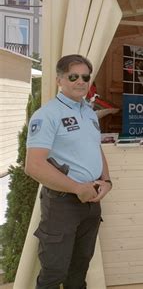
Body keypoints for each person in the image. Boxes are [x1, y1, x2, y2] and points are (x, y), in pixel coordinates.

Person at [25, 54, 112, 289]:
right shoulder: (47, 115)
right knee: (54, 273)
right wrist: (77, 188)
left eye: (85, 77)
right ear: (59, 80)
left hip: (91, 201)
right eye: (73, 76)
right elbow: (33, 165)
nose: (80, 81)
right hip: (62, 204)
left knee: (79, 269)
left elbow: (96, 148)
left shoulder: (89, 113)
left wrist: (107, 180)